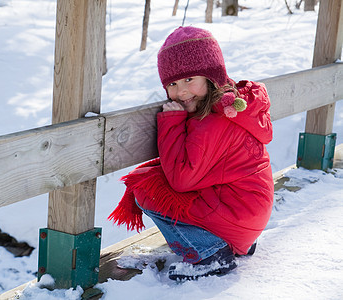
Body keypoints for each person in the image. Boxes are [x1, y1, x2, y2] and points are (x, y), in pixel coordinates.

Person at [108, 26, 274, 281]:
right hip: (250, 214)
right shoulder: (229, 107)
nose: (181, 91)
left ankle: (210, 253)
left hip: (239, 216)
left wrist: (172, 122)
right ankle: (230, 241)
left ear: (211, 76)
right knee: (153, 175)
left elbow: (181, 179)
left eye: (189, 80)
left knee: (145, 187)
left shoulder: (212, 122)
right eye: (172, 84)